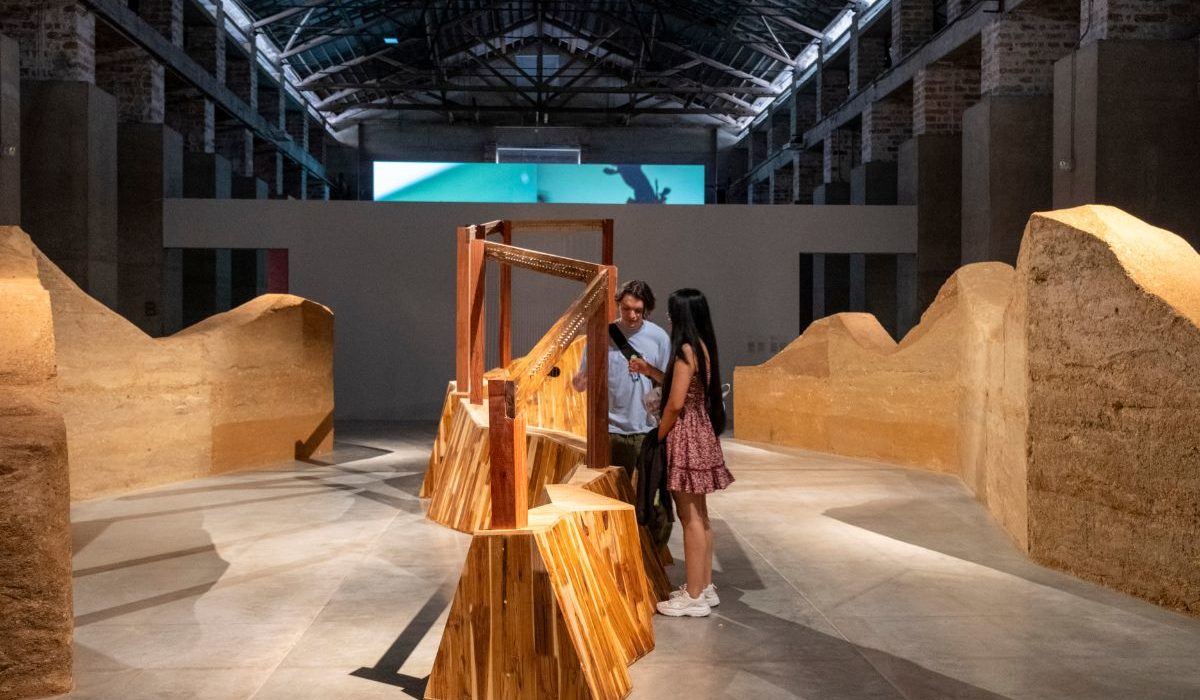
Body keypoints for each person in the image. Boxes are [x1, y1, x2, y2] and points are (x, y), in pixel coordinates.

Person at [653, 288, 733, 618]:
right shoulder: (703, 346)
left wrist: (658, 435)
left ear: (682, 316)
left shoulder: (685, 350)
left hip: (686, 436)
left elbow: (674, 403)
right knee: (701, 514)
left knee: (689, 518)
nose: (669, 319)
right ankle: (705, 586)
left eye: (672, 314)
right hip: (702, 433)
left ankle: (694, 595)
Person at [572, 280, 671, 476]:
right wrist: (581, 383)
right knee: (614, 495)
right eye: (626, 309)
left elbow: (670, 382)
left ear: (646, 309)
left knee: (647, 497)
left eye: (638, 310)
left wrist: (649, 370)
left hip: (648, 428)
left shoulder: (659, 337)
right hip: (610, 431)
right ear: (618, 305)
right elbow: (583, 381)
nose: (632, 315)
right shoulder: (601, 336)